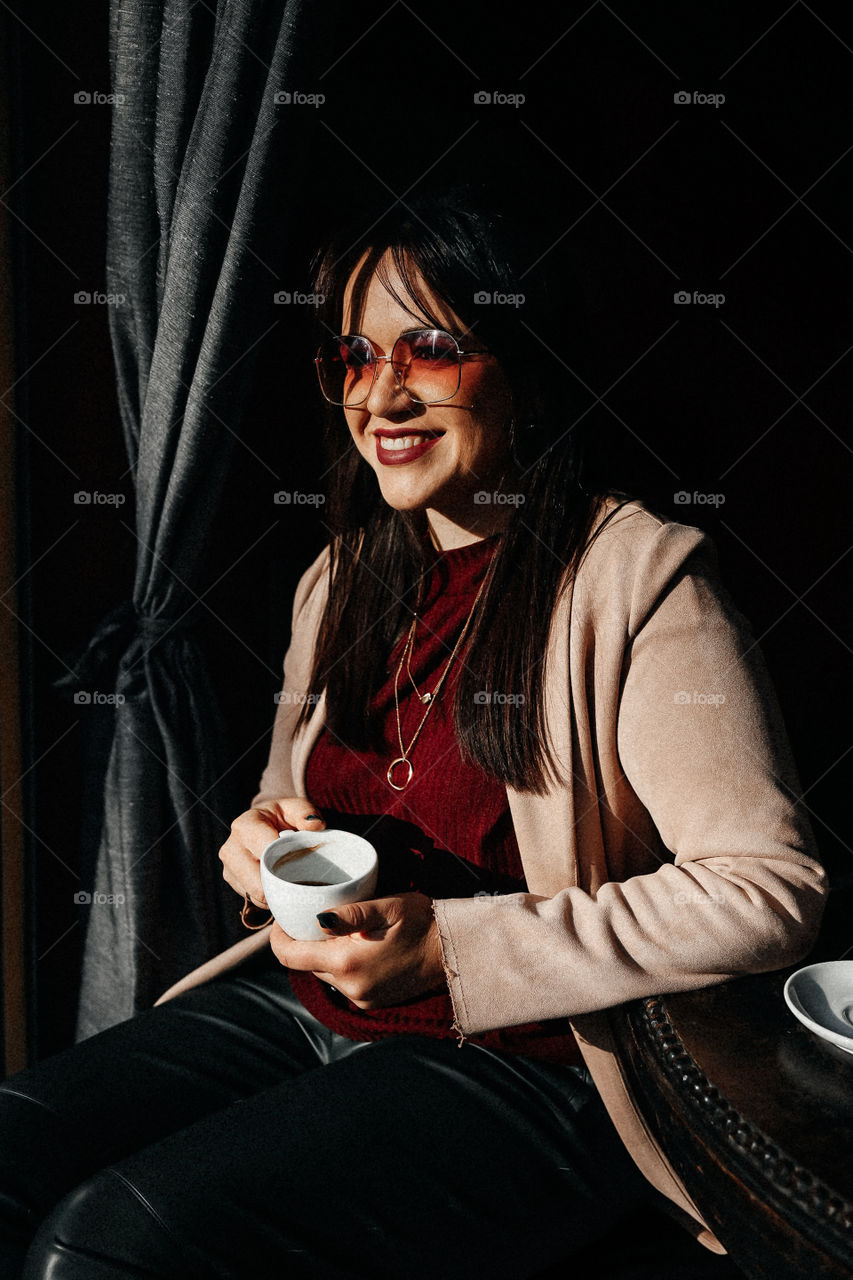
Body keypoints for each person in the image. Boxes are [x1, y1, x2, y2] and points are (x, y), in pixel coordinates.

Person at [0, 185, 827, 1278]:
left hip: (535, 1060)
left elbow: (767, 889)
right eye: (351, 355)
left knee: (105, 1240)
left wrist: (452, 945)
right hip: (299, 1005)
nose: (379, 392)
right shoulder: (336, 577)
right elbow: (280, 802)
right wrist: (256, 846)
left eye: (428, 346)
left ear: (518, 359)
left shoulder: (637, 578)